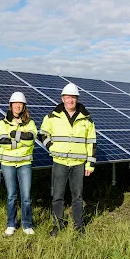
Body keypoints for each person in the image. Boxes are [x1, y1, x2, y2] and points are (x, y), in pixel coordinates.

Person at [39, 83, 96, 236]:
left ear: (77, 99)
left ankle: (79, 226)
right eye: (68, 97)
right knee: (57, 196)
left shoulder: (87, 119)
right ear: (63, 99)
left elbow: (91, 143)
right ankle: (58, 225)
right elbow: (43, 134)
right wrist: (51, 147)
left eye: (73, 97)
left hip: (78, 164)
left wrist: (90, 164)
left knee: (77, 197)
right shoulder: (52, 117)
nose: (70, 100)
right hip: (60, 162)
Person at [0, 91, 38, 236]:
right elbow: (1, 140)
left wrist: (13, 136)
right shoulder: (2, 123)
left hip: (25, 163)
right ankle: (11, 224)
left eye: (20, 104)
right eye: (15, 103)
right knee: (11, 195)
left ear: (24, 106)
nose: (18, 106)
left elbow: (31, 138)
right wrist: (19, 142)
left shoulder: (30, 123)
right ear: (11, 105)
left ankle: (27, 224)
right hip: (7, 163)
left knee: (26, 196)